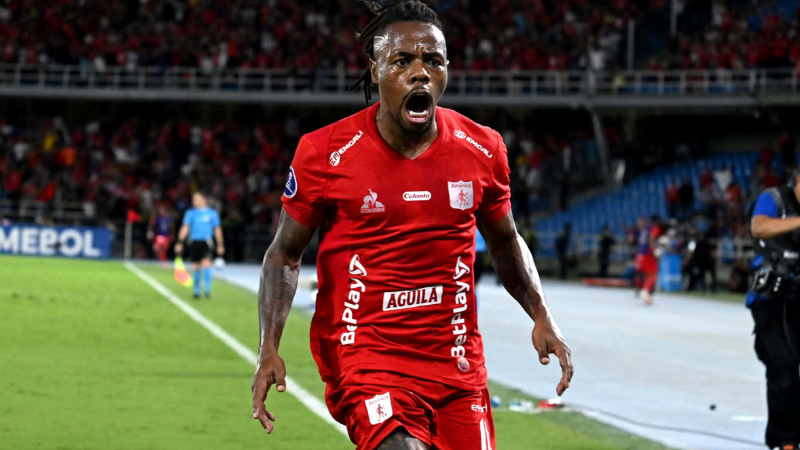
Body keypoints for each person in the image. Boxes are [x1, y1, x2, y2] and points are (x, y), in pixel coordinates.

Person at [251, 2, 574, 449]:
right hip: (365, 357)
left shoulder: (483, 149)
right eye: (403, 61)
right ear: (376, 69)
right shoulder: (325, 153)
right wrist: (268, 346)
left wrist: (541, 314)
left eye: (433, 61)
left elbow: (506, 242)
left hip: (456, 363)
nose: (420, 73)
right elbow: (284, 253)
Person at [748, 170, 800, 450]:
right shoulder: (774, 198)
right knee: (784, 367)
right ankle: (785, 442)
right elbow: (758, 227)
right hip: (771, 299)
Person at [174, 193, 224, 299]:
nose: (194, 201)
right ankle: (196, 291)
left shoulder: (212, 213)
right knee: (195, 266)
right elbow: (185, 227)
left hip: (206, 242)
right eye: (193, 199)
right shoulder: (190, 213)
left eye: (196, 199)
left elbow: (217, 229)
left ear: (204, 199)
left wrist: (220, 244)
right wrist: (179, 242)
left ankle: (207, 290)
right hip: (194, 242)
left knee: (206, 264)